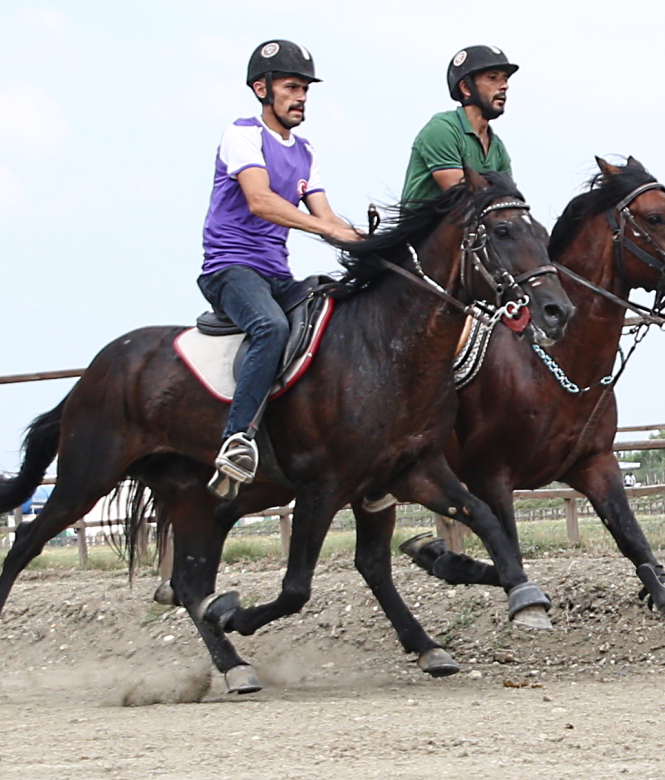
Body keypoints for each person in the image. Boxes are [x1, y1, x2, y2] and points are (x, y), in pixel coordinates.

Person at [199, 40, 361, 495]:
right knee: (270, 327)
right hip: (230, 269)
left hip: (276, 275)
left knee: (333, 313)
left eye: (305, 89)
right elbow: (261, 200)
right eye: (292, 87)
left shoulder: (307, 151)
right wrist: (327, 229)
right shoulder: (243, 133)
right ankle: (237, 438)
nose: (302, 97)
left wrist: (371, 242)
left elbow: (327, 219)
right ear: (261, 89)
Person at [401, 44, 519, 207]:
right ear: (466, 88)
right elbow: (461, 197)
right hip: (423, 231)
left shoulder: (497, 148)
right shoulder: (442, 129)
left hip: (472, 230)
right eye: (493, 78)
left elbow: (507, 201)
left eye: (505, 79)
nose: (504, 86)